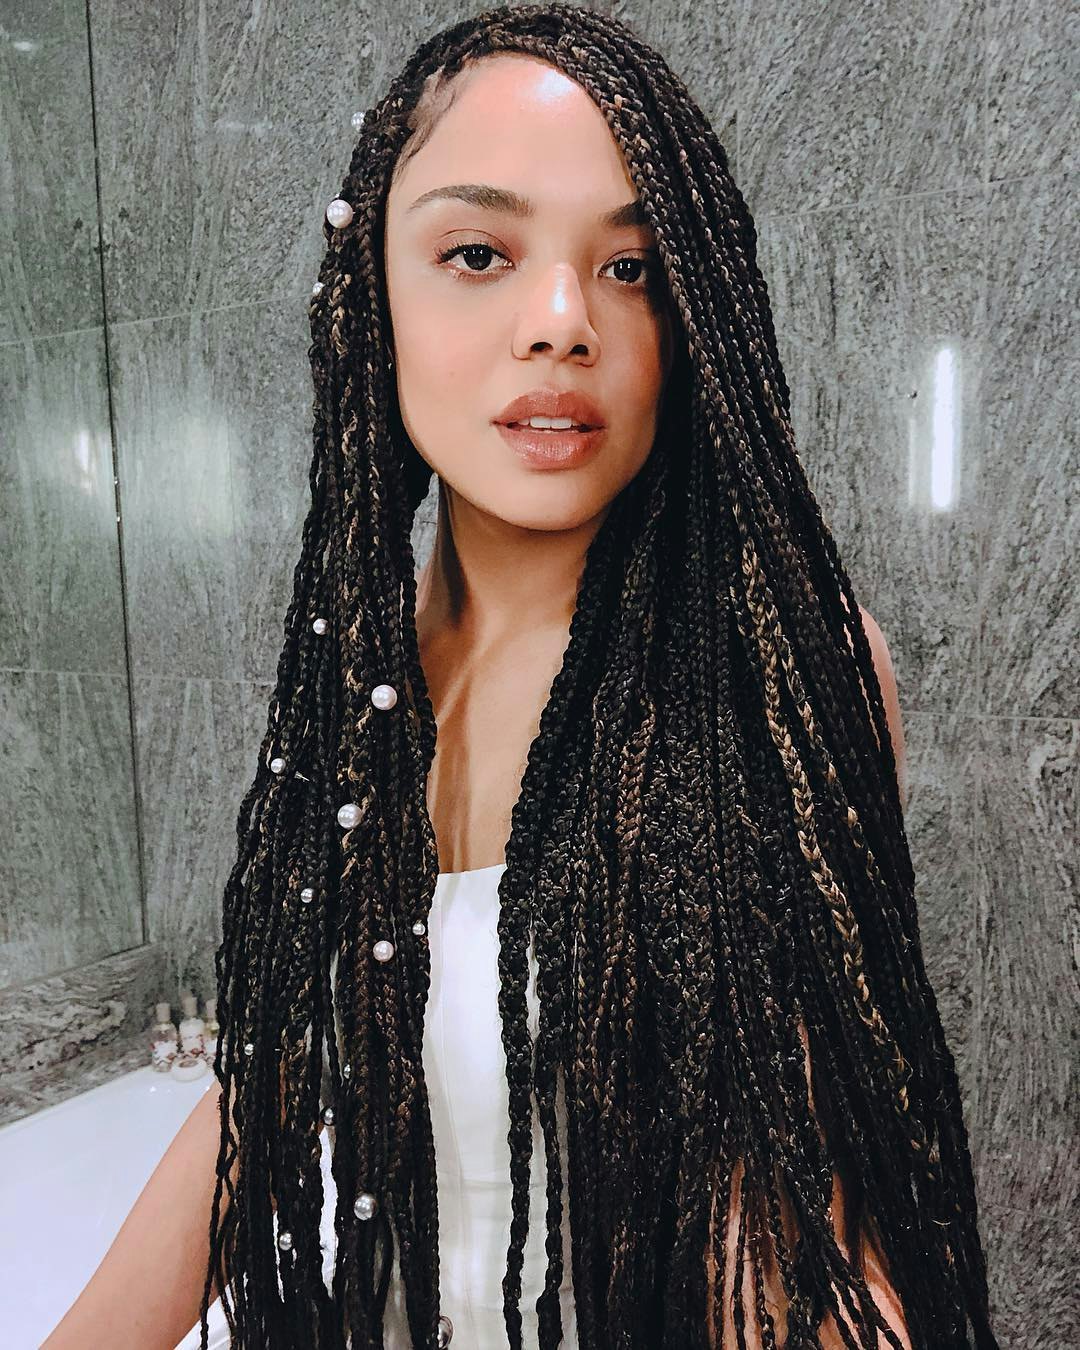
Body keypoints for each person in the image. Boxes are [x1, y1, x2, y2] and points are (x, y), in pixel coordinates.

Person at [43, 5, 1000, 1348]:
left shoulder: (771, 669)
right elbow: (267, 1091)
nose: (561, 321)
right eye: (480, 252)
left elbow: (799, 1221)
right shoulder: (361, 676)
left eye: (634, 267)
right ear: (366, 293)